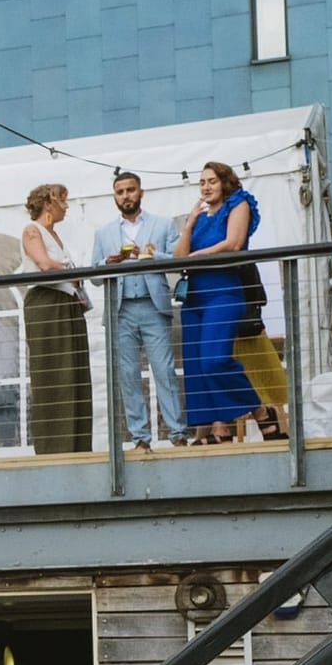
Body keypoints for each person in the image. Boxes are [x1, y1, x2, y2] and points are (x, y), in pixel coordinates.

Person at [92, 173, 187, 450]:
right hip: (120, 310)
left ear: (141, 192)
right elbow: (95, 277)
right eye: (120, 192)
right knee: (128, 375)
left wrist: (147, 255)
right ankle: (140, 438)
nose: (126, 196)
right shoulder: (103, 233)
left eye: (130, 190)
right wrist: (109, 263)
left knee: (164, 371)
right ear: (115, 197)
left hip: (153, 305)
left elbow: (175, 260)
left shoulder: (162, 224)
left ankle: (178, 433)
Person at [172, 161, 263, 445]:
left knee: (215, 360)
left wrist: (196, 257)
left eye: (211, 181)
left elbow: (233, 243)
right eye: (201, 183)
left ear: (224, 182)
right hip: (194, 297)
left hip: (223, 291)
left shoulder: (238, 204)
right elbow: (178, 257)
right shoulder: (200, 215)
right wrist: (188, 225)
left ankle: (261, 412)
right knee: (196, 367)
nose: (206, 187)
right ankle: (215, 431)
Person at [18, 184, 93, 454]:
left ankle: (76, 445)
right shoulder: (32, 230)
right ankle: (54, 447)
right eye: (62, 201)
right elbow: (44, 264)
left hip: (67, 303)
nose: (66, 206)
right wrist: (72, 270)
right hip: (47, 305)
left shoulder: (55, 235)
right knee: (53, 374)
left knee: (74, 373)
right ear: (48, 204)